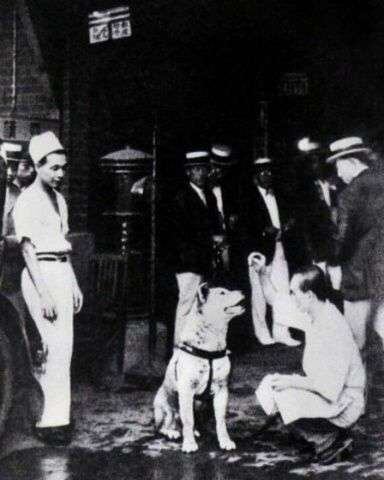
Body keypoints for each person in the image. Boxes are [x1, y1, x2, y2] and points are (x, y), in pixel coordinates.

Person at [252, 255, 366, 464]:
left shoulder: (333, 327)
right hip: (329, 392)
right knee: (271, 384)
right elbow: (276, 300)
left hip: (345, 400)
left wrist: (291, 382)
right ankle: (321, 435)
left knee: (283, 394)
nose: (292, 297)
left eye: (295, 293)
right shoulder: (314, 312)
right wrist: (262, 273)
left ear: (310, 295)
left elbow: (329, 388)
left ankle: (329, 440)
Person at [13, 131, 83, 446]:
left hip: (61, 271)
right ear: (38, 167)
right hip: (39, 275)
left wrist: (74, 284)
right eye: (53, 168)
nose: (60, 174)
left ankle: (58, 418)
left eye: (63, 168)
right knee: (52, 348)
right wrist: (43, 293)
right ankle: (48, 420)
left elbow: (62, 247)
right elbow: (28, 250)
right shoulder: (27, 201)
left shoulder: (61, 200)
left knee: (64, 348)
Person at [238, 157, 308, 345]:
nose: (267, 175)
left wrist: (285, 228)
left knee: (282, 290)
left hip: (279, 247)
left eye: (270, 171)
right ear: (255, 176)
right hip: (259, 251)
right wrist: (263, 231)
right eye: (263, 172)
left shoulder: (279, 195)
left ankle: (282, 332)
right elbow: (244, 227)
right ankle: (262, 333)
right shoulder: (248, 198)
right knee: (259, 294)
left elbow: (290, 217)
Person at [326, 137, 384, 351]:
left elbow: (342, 239)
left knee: (355, 341)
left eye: (339, 166)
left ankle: (356, 385)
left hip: (358, 278)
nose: (338, 174)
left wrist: (331, 262)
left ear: (351, 161)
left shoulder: (349, 194)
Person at [172, 149, 223, 344]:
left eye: (204, 169)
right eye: (197, 170)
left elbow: (214, 224)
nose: (201, 173)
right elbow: (181, 231)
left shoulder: (209, 195)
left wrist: (217, 237)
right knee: (186, 304)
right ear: (189, 172)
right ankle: (179, 348)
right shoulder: (181, 197)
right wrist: (210, 239)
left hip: (204, 259)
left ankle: (198, 346)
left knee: (202, 304)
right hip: (187, 261)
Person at [1, 141, 35, 316]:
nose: (10, 172)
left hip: (15, 269)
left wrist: (8, 241)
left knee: (15, 317)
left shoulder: (27, 197)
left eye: (15, 166)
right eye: (7, 166)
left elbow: (31, 233)